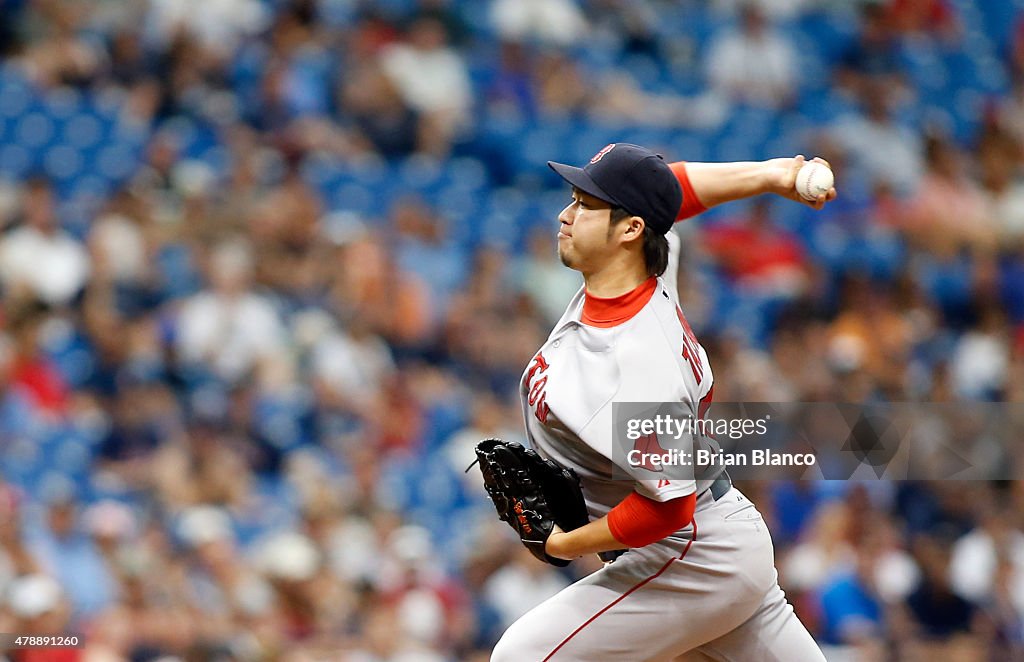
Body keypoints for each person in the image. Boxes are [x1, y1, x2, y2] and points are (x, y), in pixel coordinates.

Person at [491, 143, 835, 660]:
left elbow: (667, 507)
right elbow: (671, 190)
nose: (565, 215)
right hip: (717, 538)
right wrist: (770, 175)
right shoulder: (649, 265)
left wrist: (561, 543)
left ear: (629, 230)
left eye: (585, 205)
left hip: (693, 555)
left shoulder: (634, 364)